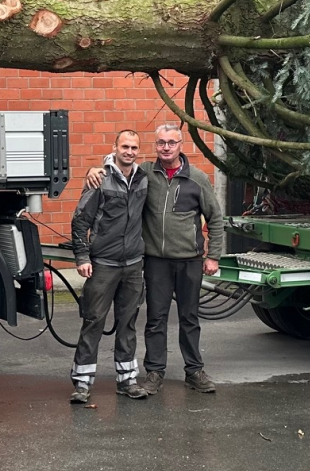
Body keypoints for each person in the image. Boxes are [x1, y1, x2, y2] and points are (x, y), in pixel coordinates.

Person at [85, 122, 224, 394]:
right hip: (155, 261)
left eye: (171, 143)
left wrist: (213, 256)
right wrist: (96, 169)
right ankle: (154, 373)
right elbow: (119, 165)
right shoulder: (146, 173)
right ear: (156, 146)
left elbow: (215, 218)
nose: (166, 148)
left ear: (181, 145)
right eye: (161, 143)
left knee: (189, 317)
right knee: (155, 319)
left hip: (190, 259)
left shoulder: (197, 178)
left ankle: (194, 371)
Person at [68, 129, 151, 404]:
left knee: (128, 324)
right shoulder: (99, 179)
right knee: (93, 322)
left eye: (134, 147)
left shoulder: (143, 178)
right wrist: (82, 258)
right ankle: (81, 383)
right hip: (103, 264)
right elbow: (80, 221)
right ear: (114, 147)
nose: (129, 151)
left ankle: (127, 380)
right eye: (125, 146)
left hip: (132, 265)